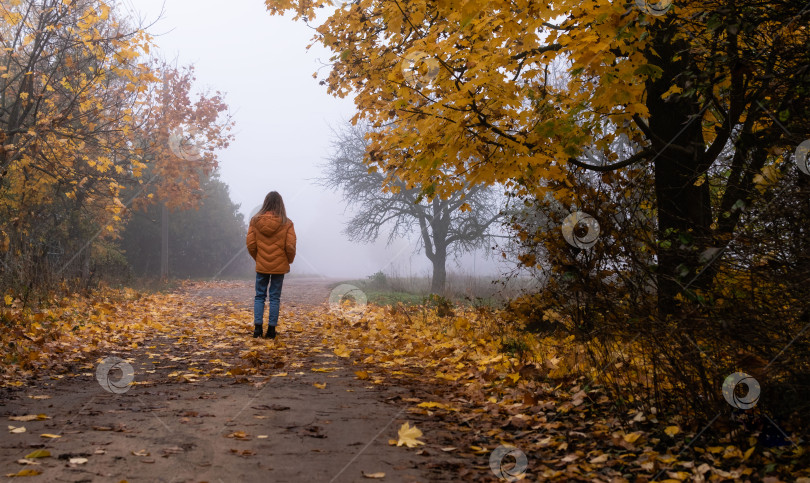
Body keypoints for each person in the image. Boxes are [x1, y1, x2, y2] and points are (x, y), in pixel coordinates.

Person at [246, 191, 296, 339]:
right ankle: (271, 330)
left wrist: (259, 258)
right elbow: (290, 246)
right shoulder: (287, 223)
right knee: (274, 297)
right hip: (279, 266)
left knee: (259, 296)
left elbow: (250, 244)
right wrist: (288, 260)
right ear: (280, 204)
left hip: (261, 265)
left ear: (265, 203)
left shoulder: (255, 221)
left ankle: (257, 329)